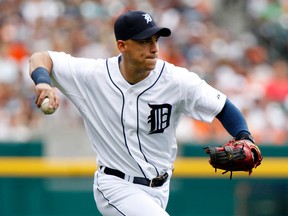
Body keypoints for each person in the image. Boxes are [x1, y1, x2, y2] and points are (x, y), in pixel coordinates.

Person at [29, 10, 257, 216]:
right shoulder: (92, 75)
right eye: (144, 41)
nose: (154, 48)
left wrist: (245, 137)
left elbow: (224, 107)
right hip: (115, 185)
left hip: (160, 190)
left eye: (156, 40)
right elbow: (40, 57)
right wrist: (42, 83)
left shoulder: (176, 80)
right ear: (122, 46)